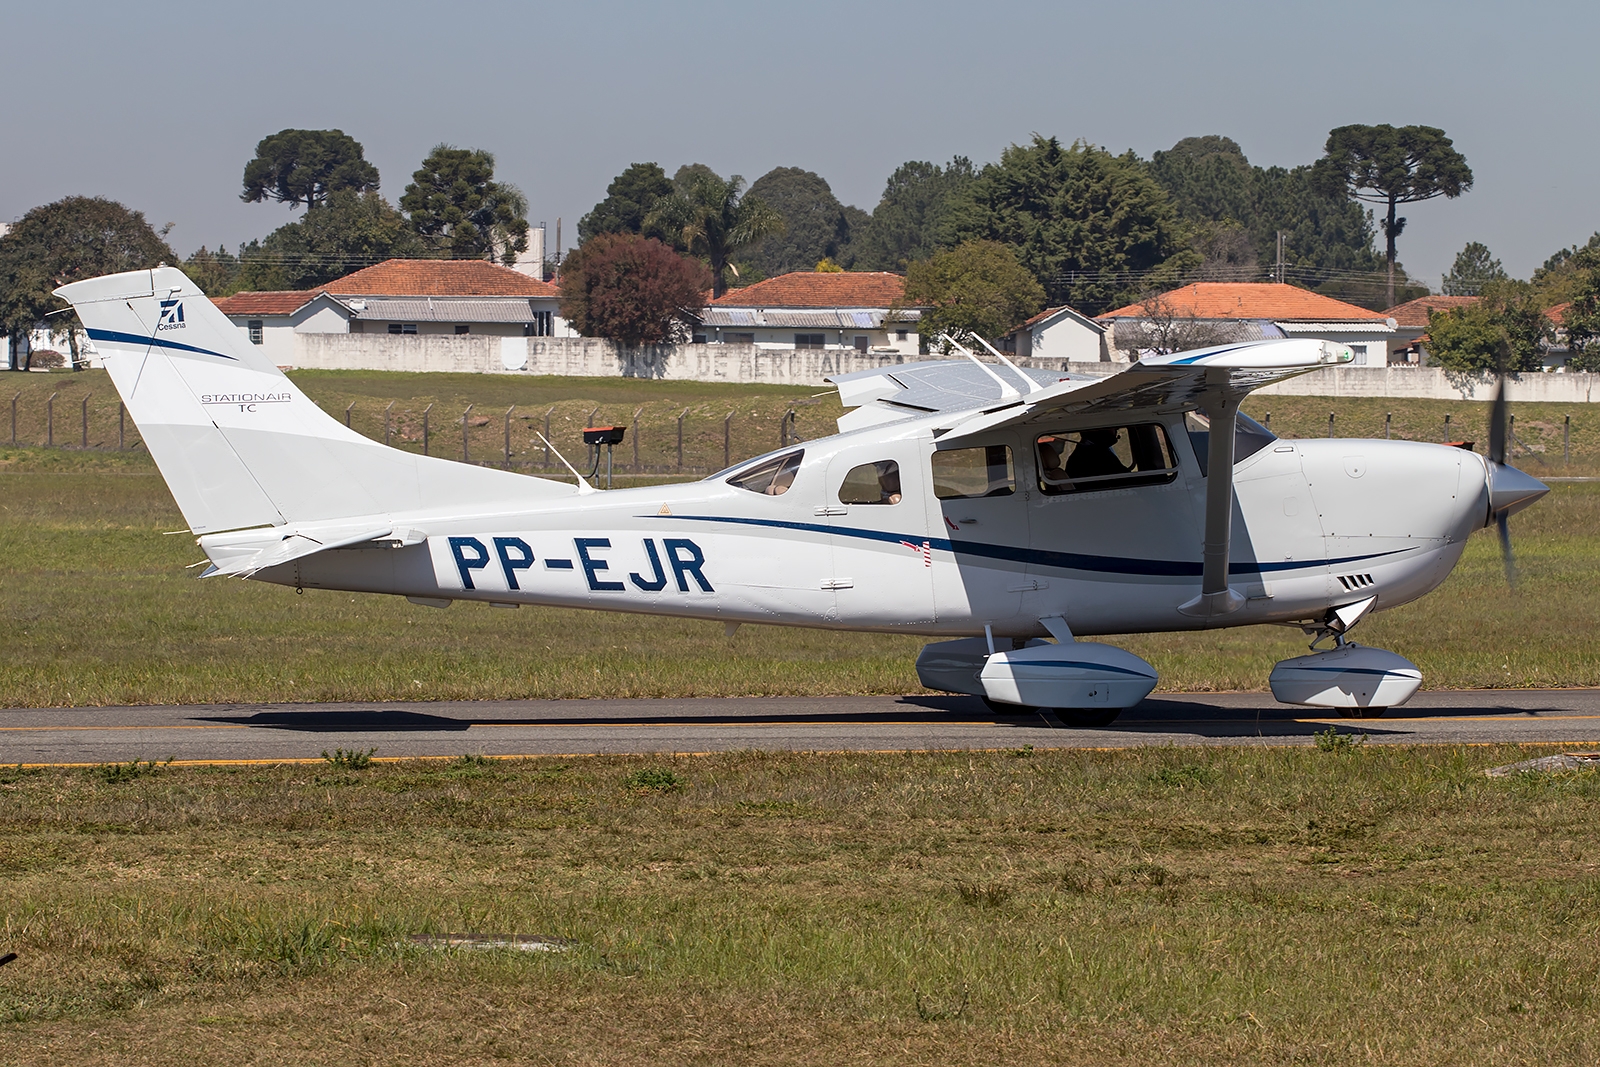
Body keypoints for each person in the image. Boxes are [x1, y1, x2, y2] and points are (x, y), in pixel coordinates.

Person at [1065, 427, 1129, 481]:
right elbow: (1124, 478)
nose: (1115, 432)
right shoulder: (1092, 456)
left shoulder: (1095, 451)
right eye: (1111, 428)